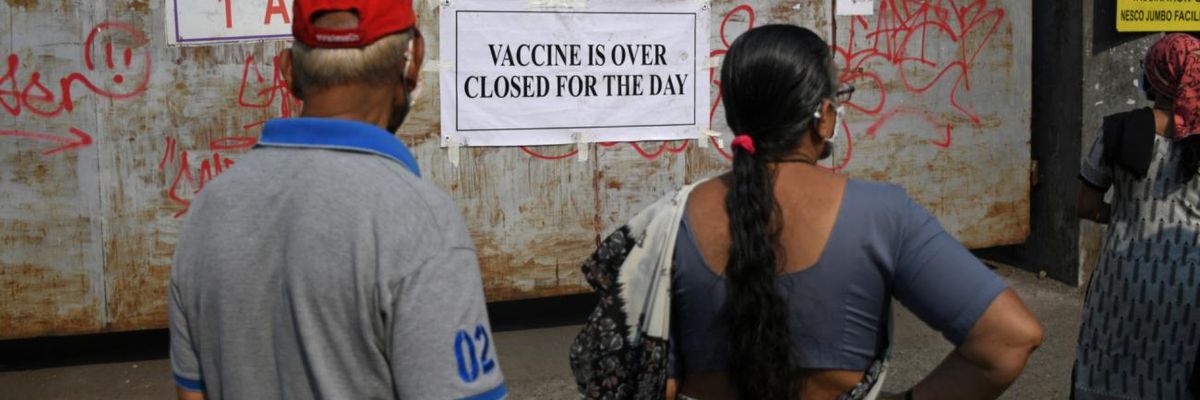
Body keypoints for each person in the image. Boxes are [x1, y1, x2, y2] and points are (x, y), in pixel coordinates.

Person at [570, 24, 1042, 400]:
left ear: (734, 117)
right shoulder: (884, 214)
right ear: (824, 115)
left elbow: (648, 377)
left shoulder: (668, 222)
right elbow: (1008, 339)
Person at [168, 1, 506, 399]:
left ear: (288, 71)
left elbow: (192, 393)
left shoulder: (209, 208)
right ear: (413, 61)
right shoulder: (421, 222)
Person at [1074, 33, 1200, 400]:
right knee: (1176, 373)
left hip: (1122, 277)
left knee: (1110, 372)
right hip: (1188, 284)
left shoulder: (1118, 128)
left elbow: (1085, 205)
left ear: (1153, 76)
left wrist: (1127, 215)